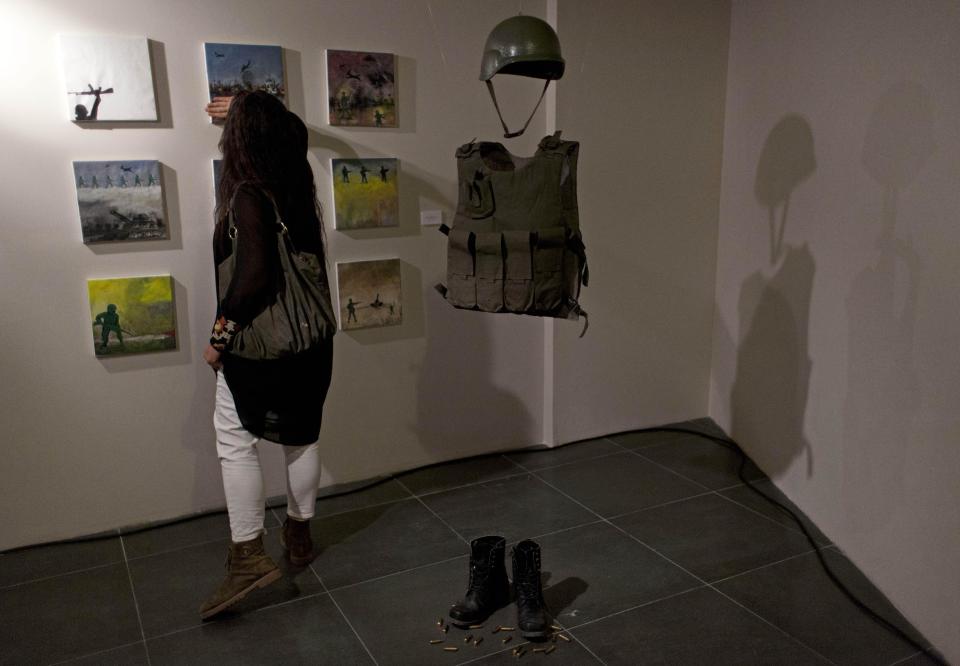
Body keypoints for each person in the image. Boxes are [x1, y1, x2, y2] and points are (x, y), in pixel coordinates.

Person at [201, 91, 335, 620]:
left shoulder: (247, 196)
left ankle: (247, 557)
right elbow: (293, 129)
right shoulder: (297, 186)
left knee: (236, 442)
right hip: (311, 346)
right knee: (302, 439)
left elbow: (253, 278)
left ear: (239, 140)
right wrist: (249, 106)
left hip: (261, 349)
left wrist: (218, 338)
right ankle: (299, 536)